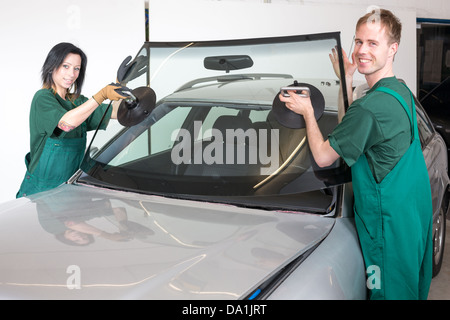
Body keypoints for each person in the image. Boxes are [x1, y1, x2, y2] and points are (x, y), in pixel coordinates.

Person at [280, 9, 432, 300]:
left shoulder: (371, 107)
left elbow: (325, 156)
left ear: (393, 48)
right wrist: (346, 79)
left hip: (387, 226)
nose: (361, 50)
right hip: (411, 216)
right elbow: (350, 127)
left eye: (372, 43)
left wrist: (309, 113)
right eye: (358, 41)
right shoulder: (398, 91)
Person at [17, 42, 128, 198]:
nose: (71, 74)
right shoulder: (43, 98)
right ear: (51, 66)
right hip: (41, 193)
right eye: (66, 66)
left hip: (69, 191)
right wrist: (102, 94)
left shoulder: (78, 103)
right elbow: (67, 124)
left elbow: (115, 112)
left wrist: (121, 84)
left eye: (77, 68)